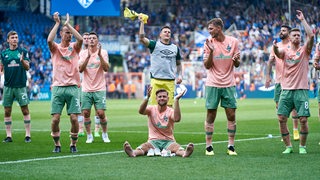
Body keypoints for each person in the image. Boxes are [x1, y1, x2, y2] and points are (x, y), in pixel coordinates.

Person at [273, 10, 314, 154]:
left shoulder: (305, 51)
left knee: (303, 119)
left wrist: (303, 20)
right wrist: (274, 48)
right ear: (290, 38)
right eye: (294, 35)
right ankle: (288, 146)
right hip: (286, 90)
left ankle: (302, 146)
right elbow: (278, 54)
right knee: (281, 118)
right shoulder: (285, 51)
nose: (297, 36)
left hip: (301, 90)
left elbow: (311, 35)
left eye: (298, 35)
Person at [202, 18, 240, 156]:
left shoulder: (233, 42)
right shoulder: (208, 43)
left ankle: (231, 146)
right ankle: (208, 146)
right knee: (211, 114)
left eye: (211, 28)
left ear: (219, 28)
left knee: (231, 114)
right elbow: (206, 65)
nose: (209, 31)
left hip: (229, 83)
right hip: (212, 83)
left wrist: (237, 61)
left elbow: (237, 63)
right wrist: (211, 52)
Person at [47, 12, 83, 153]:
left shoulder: (74, 47)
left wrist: (68, 24)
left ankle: (73, 143)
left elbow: (80, 39)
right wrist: (57, 23)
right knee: (55, 119)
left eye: (70, 33)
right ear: (61, 34)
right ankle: (57, 144)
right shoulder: (55, 48)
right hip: (58, 87)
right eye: (67, 32)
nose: (69, 35)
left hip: (73, 87)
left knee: (74, 119)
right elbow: (49, 40)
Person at [123, 87, 194, 157]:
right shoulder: (151, 109)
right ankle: (133, 153)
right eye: (159, 97)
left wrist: (176, 100)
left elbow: (177, 119)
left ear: (168, 99)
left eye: (164, 96)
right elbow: (141, 111)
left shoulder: (170, 111)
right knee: (144, 147)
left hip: (168, 141)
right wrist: (147, 97)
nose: (162, 98)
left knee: (177, 148)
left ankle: (185, 153)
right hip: (153, 141)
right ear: (156, 98)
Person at [265, 24, 300, 141]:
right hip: (279, 81)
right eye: (280, 30)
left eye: (284, 30)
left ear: (288, 33)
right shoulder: (276, 46)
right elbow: (270, 61)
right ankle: (285, 132)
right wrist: (267, 77)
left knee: (294, 107)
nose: (281, 32)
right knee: (279, 107)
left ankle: (295, 130)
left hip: (291, 81)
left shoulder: (292, 46)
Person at [138, 15, 182, 106]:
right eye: (165, 32)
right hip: (156, 80)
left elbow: (178, 64)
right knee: (154, 108)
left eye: (169, 32)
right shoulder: (154, 45)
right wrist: (142, 23)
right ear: (160, 35)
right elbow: (142, 38)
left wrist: (180, 75)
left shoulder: (175, 48)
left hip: (170, 81)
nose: (167, 33)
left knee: (169, 108)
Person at [79, 31, 111, 143]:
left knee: (101, 113)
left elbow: (106, 68)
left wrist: (100, 55)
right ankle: (89, 135)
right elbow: (80, 69)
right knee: (86, 113)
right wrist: (88, 57)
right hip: (86, 88)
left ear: (97, 41)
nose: (91, 40)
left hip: (100, 88)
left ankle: (105, 134)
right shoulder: (82, 53)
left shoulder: (104, 52)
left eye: (94, 38)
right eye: (90, 38)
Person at [0, 30, 31, 143]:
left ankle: (28, 135)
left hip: (20, 86)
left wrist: (22, 61)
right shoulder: (4, 54)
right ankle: (9, 136)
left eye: (16, 37)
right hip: (8, 86)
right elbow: (1, 68)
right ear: (8, 40)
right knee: (7, 111)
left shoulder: (23, 51)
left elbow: (27, 67)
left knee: (25, 110)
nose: (15, 39)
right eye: (12, 37)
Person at [79, 32, 102, 138]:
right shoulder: (79, 52)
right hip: (79, 84)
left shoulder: (95, 52)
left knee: (98, 109)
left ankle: (97, 129)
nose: (87, 40)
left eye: (89, 38)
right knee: (80, 108)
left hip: (91, 85)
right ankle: (80, 128)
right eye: (85, 38)